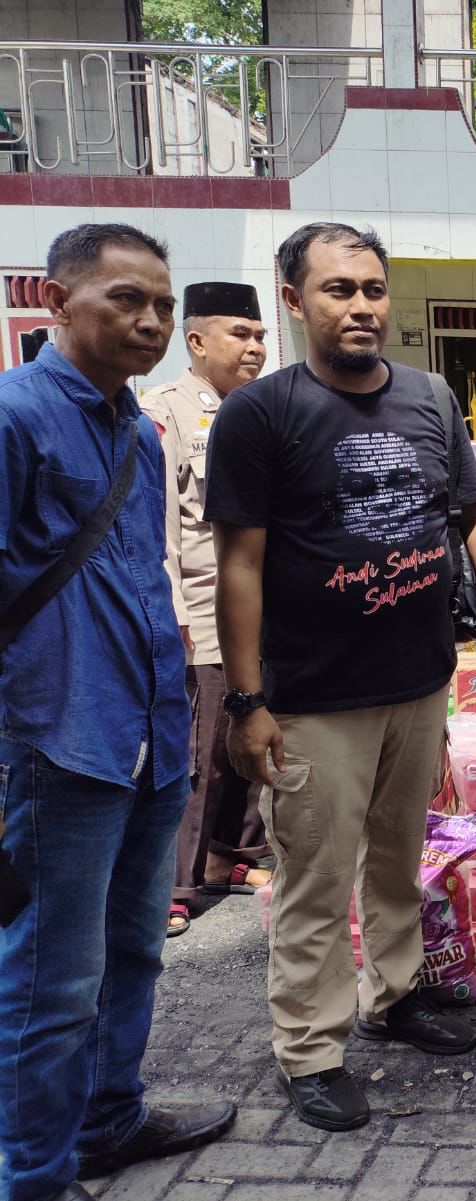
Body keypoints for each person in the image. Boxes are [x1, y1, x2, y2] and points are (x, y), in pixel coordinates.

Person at [205, 222, 476, 1133]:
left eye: (374, 289)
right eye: (339, 289)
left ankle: (395, 994)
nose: (361, 306)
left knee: (398, 860)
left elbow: (475, 518)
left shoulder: (430, 397)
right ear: (295, 300)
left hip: (418, 683)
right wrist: (246, 696)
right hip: (311, 696)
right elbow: (241, 564)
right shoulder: (260, 413)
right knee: (314, 874)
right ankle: (310, 1048)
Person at [0, 224, 236, 1201]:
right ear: (59, 303)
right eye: (124, 301)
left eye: (162, 306)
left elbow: (147, 574)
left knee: (137, 946)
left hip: (148, 732)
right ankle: (35, 1173)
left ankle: (109, 1117)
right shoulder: (15, 417)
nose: (148, 321)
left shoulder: (139, 428)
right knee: (52, 980)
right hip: (60, 741)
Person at [141, 282, 272, 939]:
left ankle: (233, 855)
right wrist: (170, 612)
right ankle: (176, 882)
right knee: (199, 754)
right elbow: (157, 523)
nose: (255, 347)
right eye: (239, 335)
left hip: (263, 611)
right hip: (198, 608)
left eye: (259, 335)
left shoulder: (264, 411)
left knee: (252, 744)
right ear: (196, 341)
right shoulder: (162, 411)